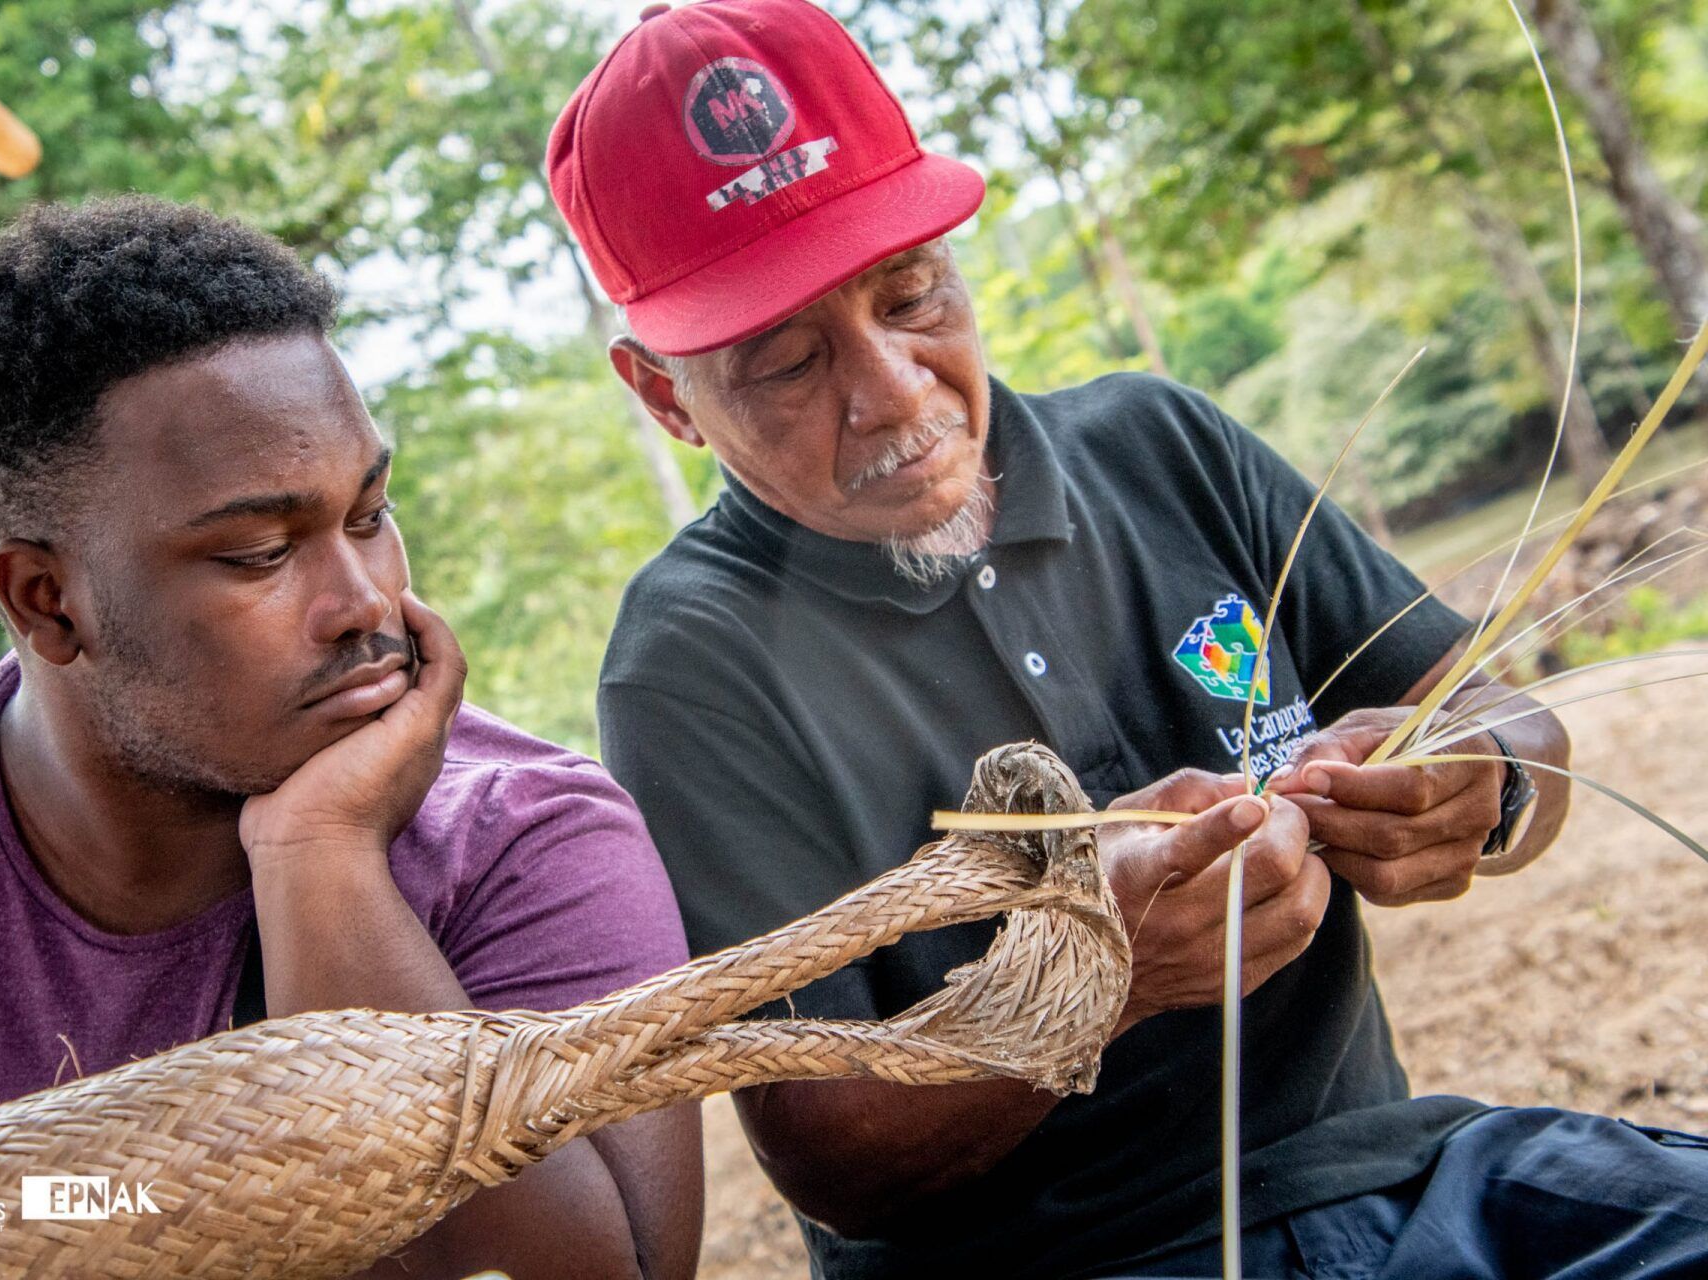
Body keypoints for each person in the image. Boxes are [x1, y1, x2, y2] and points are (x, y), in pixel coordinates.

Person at [546, 2, 1708, 1276]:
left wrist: (1477, 787)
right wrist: (1090, 976)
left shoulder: (1160, 444)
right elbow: (832, 1159)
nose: (892, 386)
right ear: (666, 396)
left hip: (1402, 1169)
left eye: (912, 293)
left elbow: (1502, 720)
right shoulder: (690, 661)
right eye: (786, 360)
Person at [0, 197, 701, 1280]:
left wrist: (322, 858)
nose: (364, 600)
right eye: (263, 553)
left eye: (369, 513)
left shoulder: (525, 840)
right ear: (47, 601)